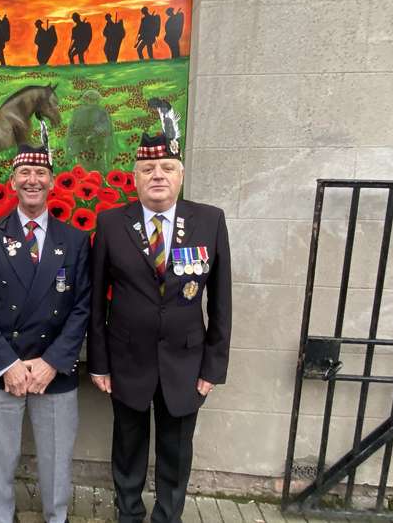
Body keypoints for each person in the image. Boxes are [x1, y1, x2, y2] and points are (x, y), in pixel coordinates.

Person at [88, 132, 232, 523]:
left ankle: (168, 516)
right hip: (127, 359)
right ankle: (129, 514)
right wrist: (99, 363)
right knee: (128, 447)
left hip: (186, 362)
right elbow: (96, 298)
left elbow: (221, 301)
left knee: (176, 450)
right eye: (147, 168)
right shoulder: (111, 223)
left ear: (180, 175)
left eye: (167, 167)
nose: (157, 175)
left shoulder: (209, 220)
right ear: (134, 178)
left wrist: (212, 368)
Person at [0, 143, 91, 523]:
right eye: (25, 173)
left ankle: (57, 519)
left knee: (57, 466)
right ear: (13, 181)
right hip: (2, 371)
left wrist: (51, 362)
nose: (32, 180)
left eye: (40, 173)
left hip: (52, 371)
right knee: (0, 463)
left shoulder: (74, 240)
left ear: (52, 182)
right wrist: (9, 364)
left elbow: (82, 306)